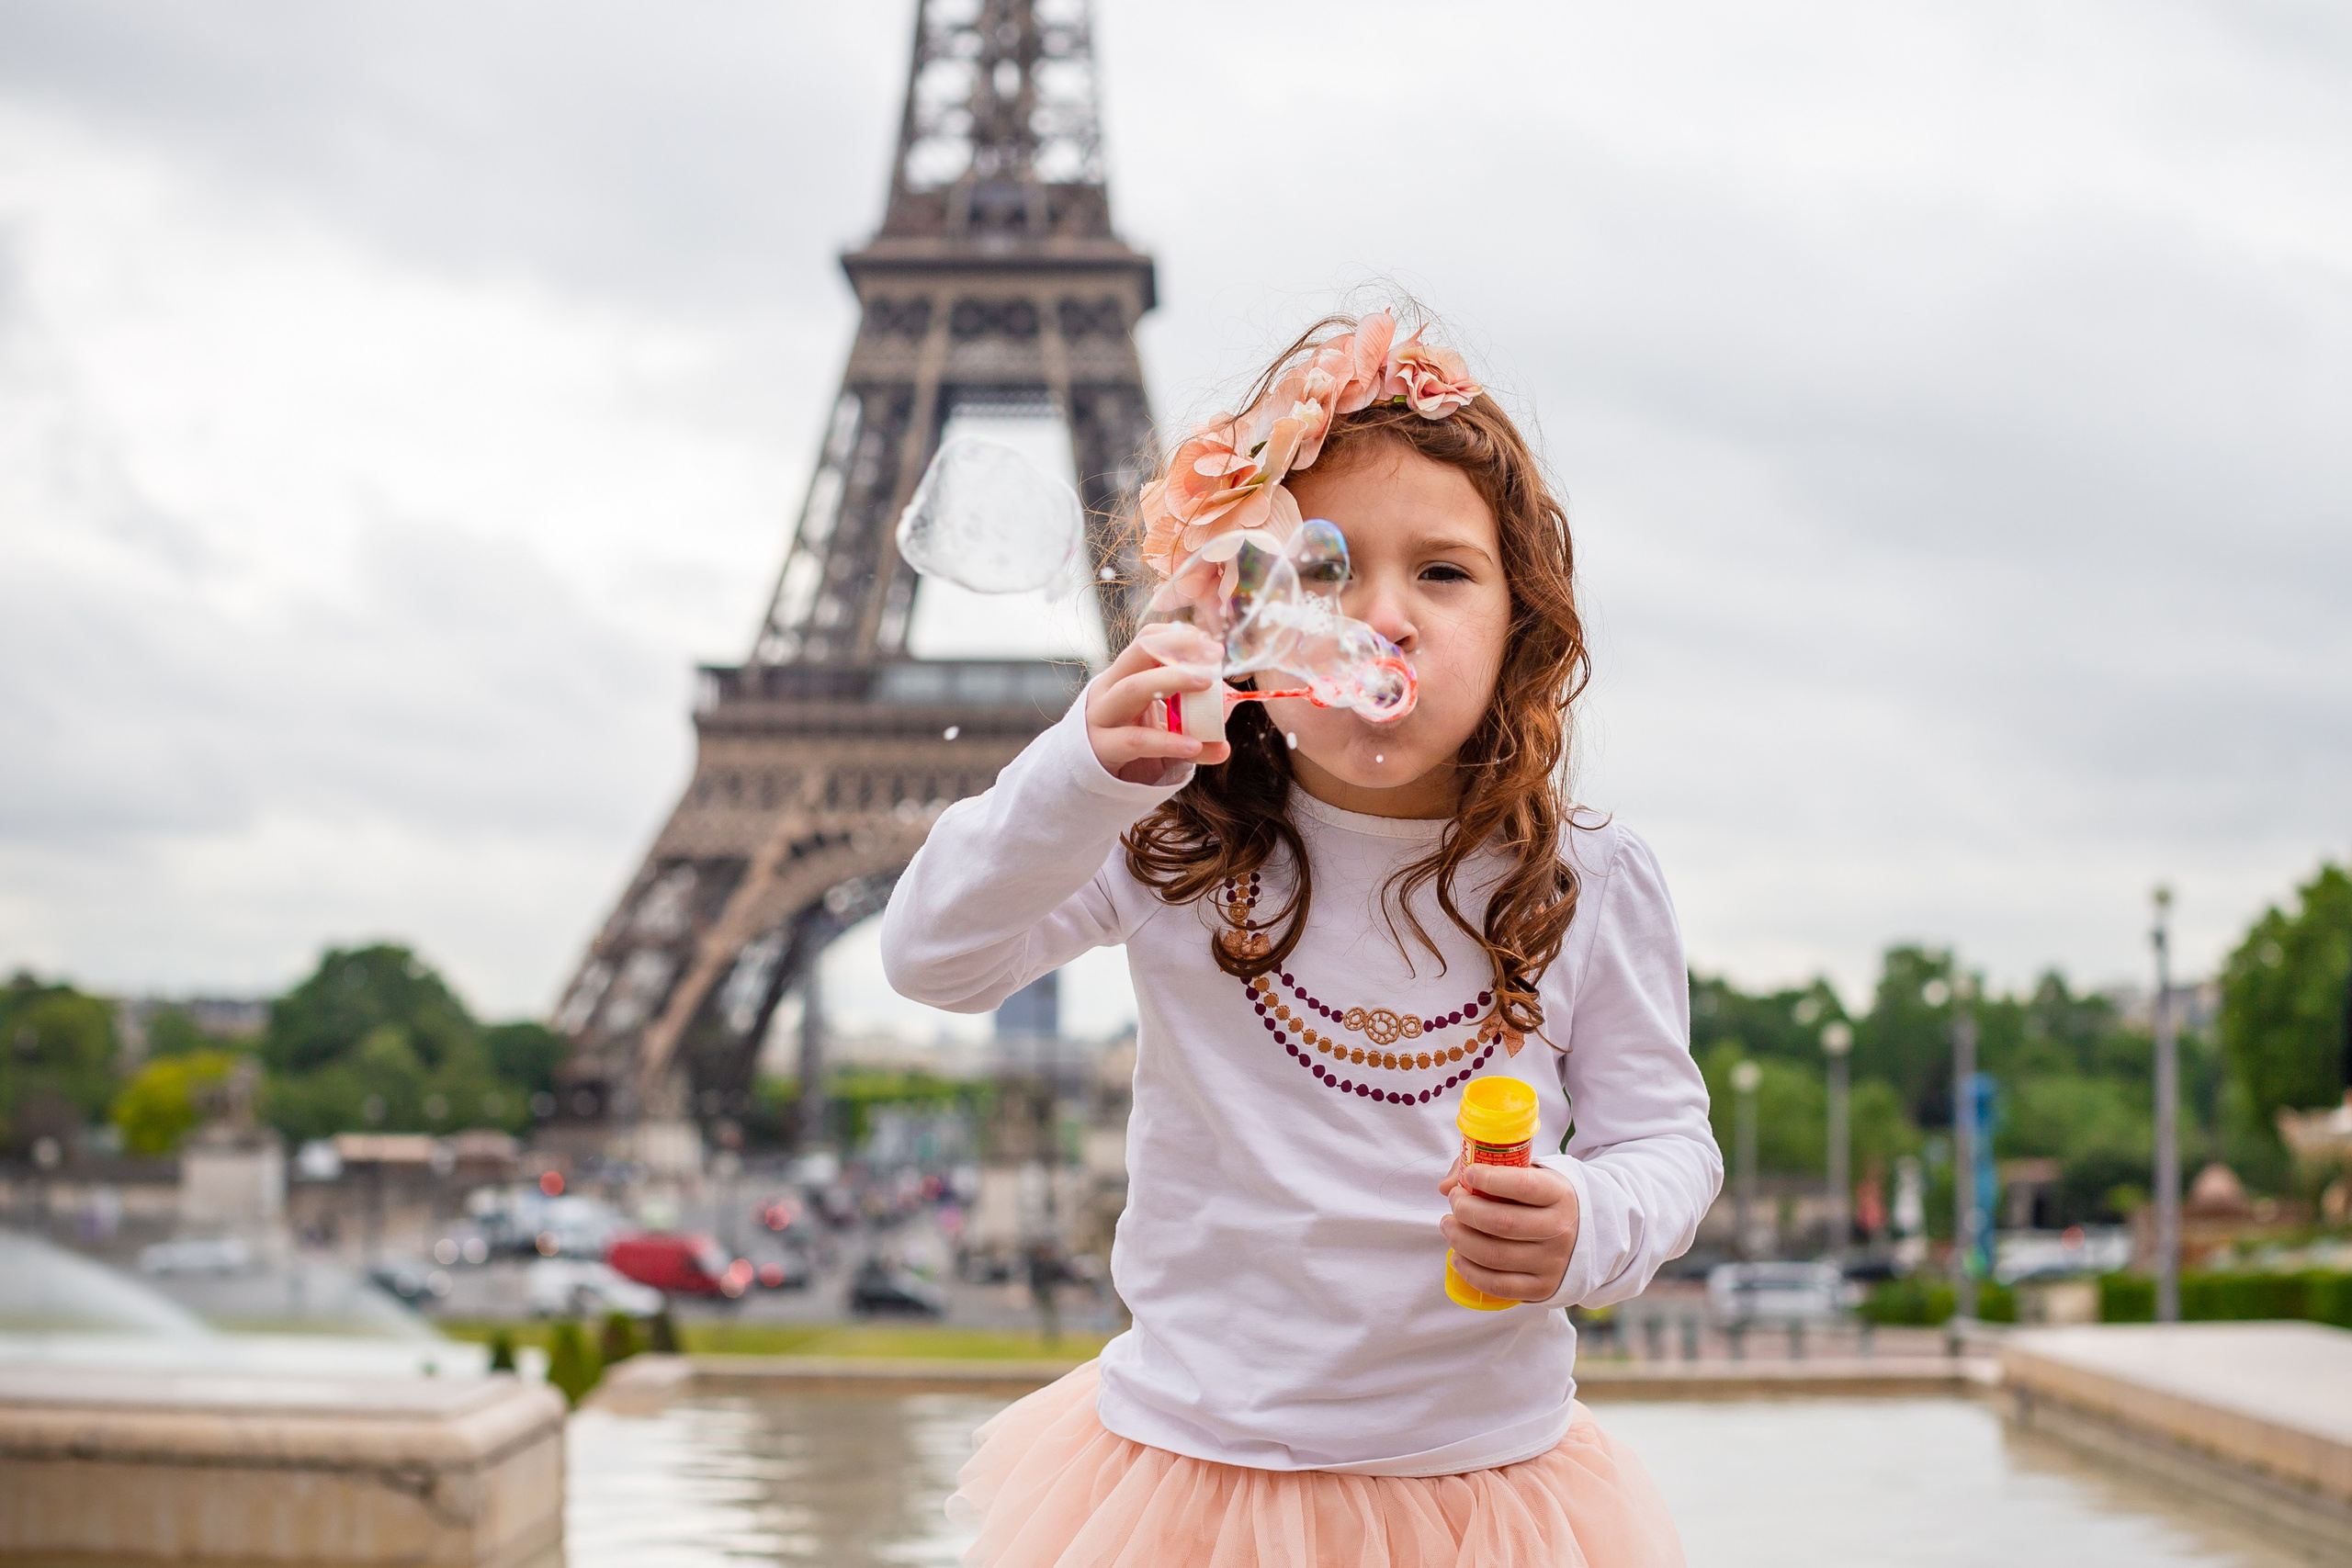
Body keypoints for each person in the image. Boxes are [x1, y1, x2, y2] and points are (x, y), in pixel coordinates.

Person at [882, 307, 1722, 1567]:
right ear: (1240, 624)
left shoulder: (1592, 880)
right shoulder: (1165, 835)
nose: (1383, 616)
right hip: (1190, 1485)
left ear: (1518, 630)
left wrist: (1586, 1220)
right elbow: (934, 959)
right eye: (1318, 574)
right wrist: (1087, 771)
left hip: (1482, 1492)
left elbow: (1668, 1139)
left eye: (1442, 573)